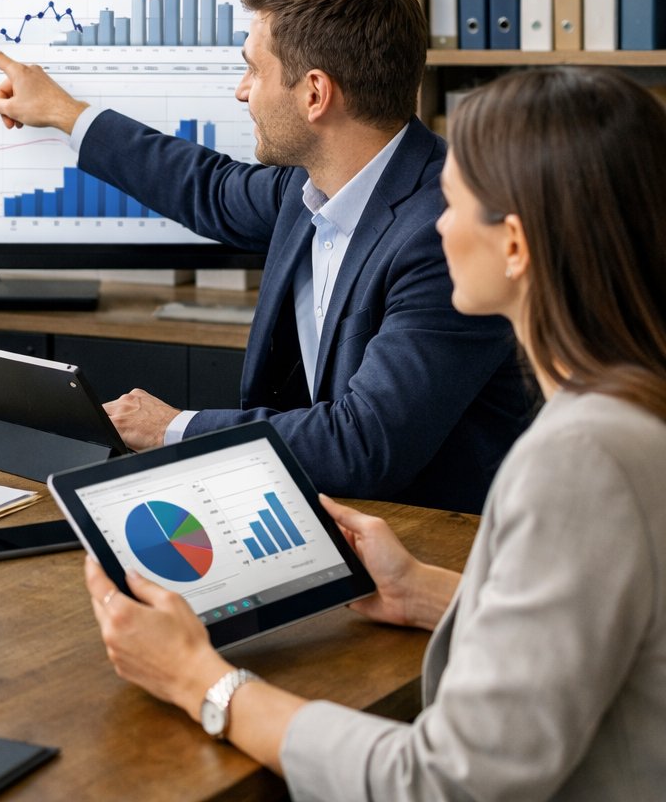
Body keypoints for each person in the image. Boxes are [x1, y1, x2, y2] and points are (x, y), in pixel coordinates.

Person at [83, 66, 666, 800]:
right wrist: (425, 592)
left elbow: (442, 782)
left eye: (452, 202)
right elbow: (599, 637)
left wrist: (203, 681)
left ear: (513, 246)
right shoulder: (633, 415)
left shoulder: (580, 460)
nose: (439, 222)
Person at [0, 0, 530, 513]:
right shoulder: (310, 185)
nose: (242, 92)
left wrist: (171, 427)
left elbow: (365, 442)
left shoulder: (446, 231)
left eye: (254, 70)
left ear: (315, 94)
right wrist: (64, 112)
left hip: (434, 540)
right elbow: (208, 189)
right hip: (336, 512)